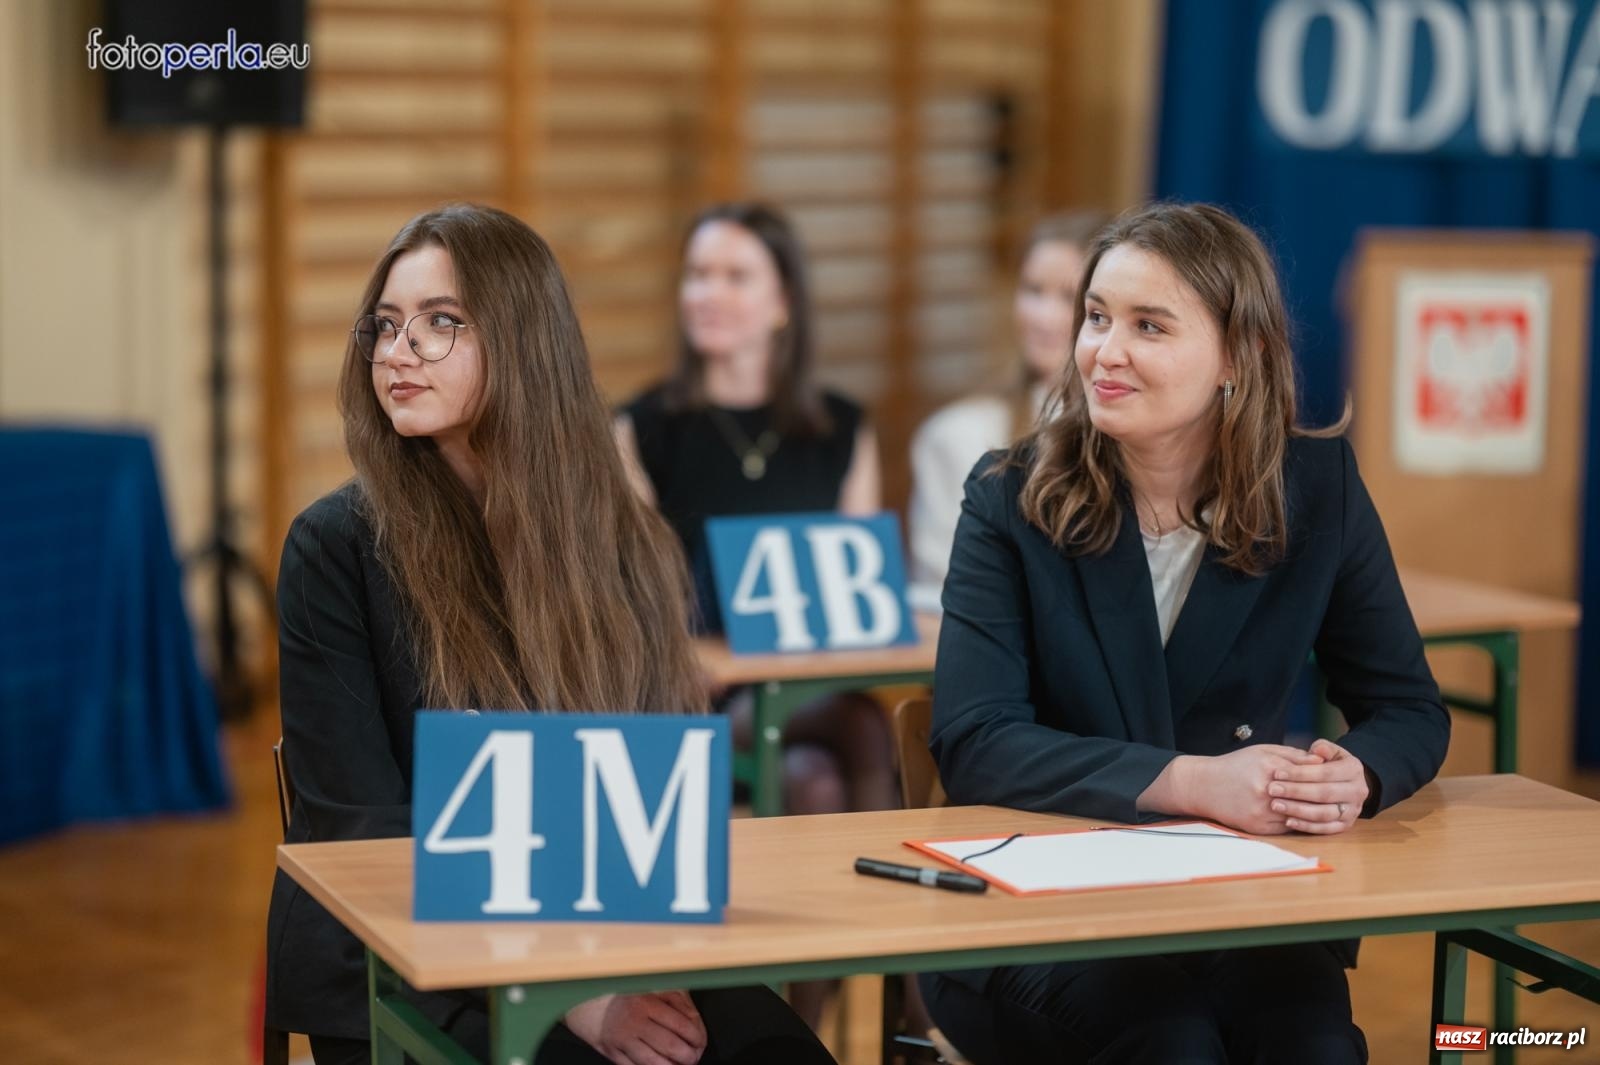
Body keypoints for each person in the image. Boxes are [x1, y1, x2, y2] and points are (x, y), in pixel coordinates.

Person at [264, 203, 835, 1065]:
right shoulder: (334, 546)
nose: (396, 352)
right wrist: (579, 1000)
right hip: (409, 954)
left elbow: (651, 793)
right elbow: (363, 836)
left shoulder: (622, 538)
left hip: (602, 926)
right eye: (384, 326)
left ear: (526, 343)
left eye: (439, 323)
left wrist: (623, 966)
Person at [919, 202, 1450, 1065]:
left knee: (1316, 1049)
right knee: (1173, 1046)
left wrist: (1356, 774)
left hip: (1235, 898)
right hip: (1033, 901)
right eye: (1097, 318)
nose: (1104, 351)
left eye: (1148, 326)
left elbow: (1408, 708)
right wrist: (1194, 781)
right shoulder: (1006, 496)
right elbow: (975, 740)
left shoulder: (1318, 488)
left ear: (1236, 356)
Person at [613, 200, 897, 1029]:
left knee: (815, 775)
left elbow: (858, 597)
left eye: (736, 276)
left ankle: (801, 1033)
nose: (709, 292)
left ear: (783, 304)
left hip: (810, 692)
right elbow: (628, 601)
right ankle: (902, 987)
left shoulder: (841, 426)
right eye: (698, 274)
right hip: (694, 702)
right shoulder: (644, 426)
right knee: (866, 734)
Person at [907, 209, 1109, 609]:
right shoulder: (956, 434)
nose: (1043, 316)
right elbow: (943, 587)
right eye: (1033, 290)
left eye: (1069, 298)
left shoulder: (1143, 435)